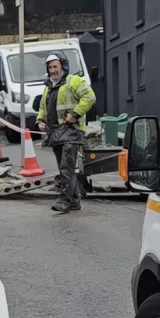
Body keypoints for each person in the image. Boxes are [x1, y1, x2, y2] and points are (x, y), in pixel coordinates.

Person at [36, 53, 96, 213]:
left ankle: (64, 200)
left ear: (63, 66)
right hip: (55, 133)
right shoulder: (48, 87)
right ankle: (75, 201)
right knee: (65, 168)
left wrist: (75, 114)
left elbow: (89, 97)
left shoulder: (74, 81)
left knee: (66, 168)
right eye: (50, 67)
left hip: (72, 131)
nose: (53, 70)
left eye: (55, 66)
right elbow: (43, 107)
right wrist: (40, 120)